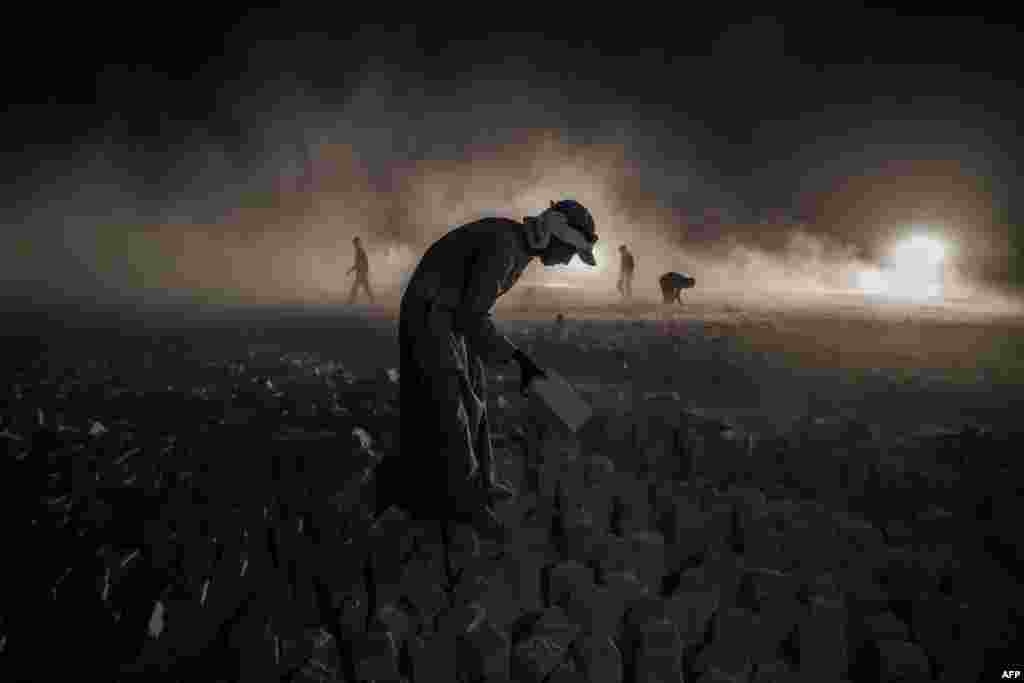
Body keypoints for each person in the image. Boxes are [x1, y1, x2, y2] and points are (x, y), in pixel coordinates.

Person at [374, 199, 599, 541]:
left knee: (475, 392)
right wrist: (518, 361)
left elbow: (470, 313)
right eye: (569, 250)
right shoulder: (505, 248)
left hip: (449, 316)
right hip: (430, 315)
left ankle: (483, 482)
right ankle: (466, 503)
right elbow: (472, 315)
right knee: (452, 408)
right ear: (554, 235)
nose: (568, 260)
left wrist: (515, 361)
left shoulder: (515, 246)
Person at [347, 236, 375, 304]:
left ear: (358, 243)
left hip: (361, 273)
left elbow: (363, 263)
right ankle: (372, 299)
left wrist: (351, 270)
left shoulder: (360, 251)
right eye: (354, 244)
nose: (355, 245)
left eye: (356, 243)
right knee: (364, 287)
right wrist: (351, 270)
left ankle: (351, 301)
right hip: (361, 272)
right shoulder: (359, 251)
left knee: (356, 287)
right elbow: (359, 263)